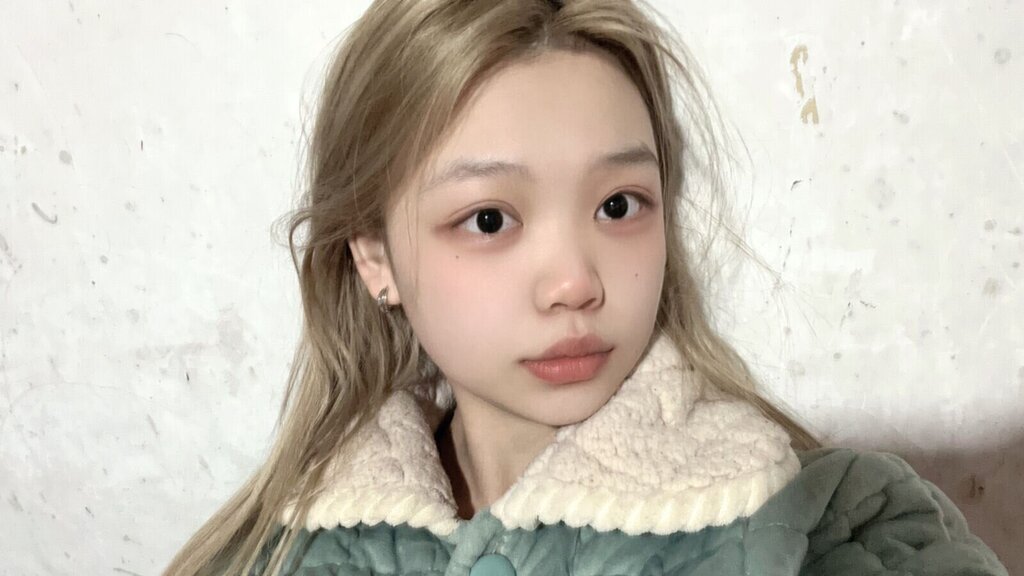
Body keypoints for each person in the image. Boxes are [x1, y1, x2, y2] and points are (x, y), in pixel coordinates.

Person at [163, 1, 1010, 575]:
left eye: (618, 205)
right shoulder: (271, 556)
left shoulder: (841, 526)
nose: (574, 282)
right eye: (489, 219)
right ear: (373, 256)